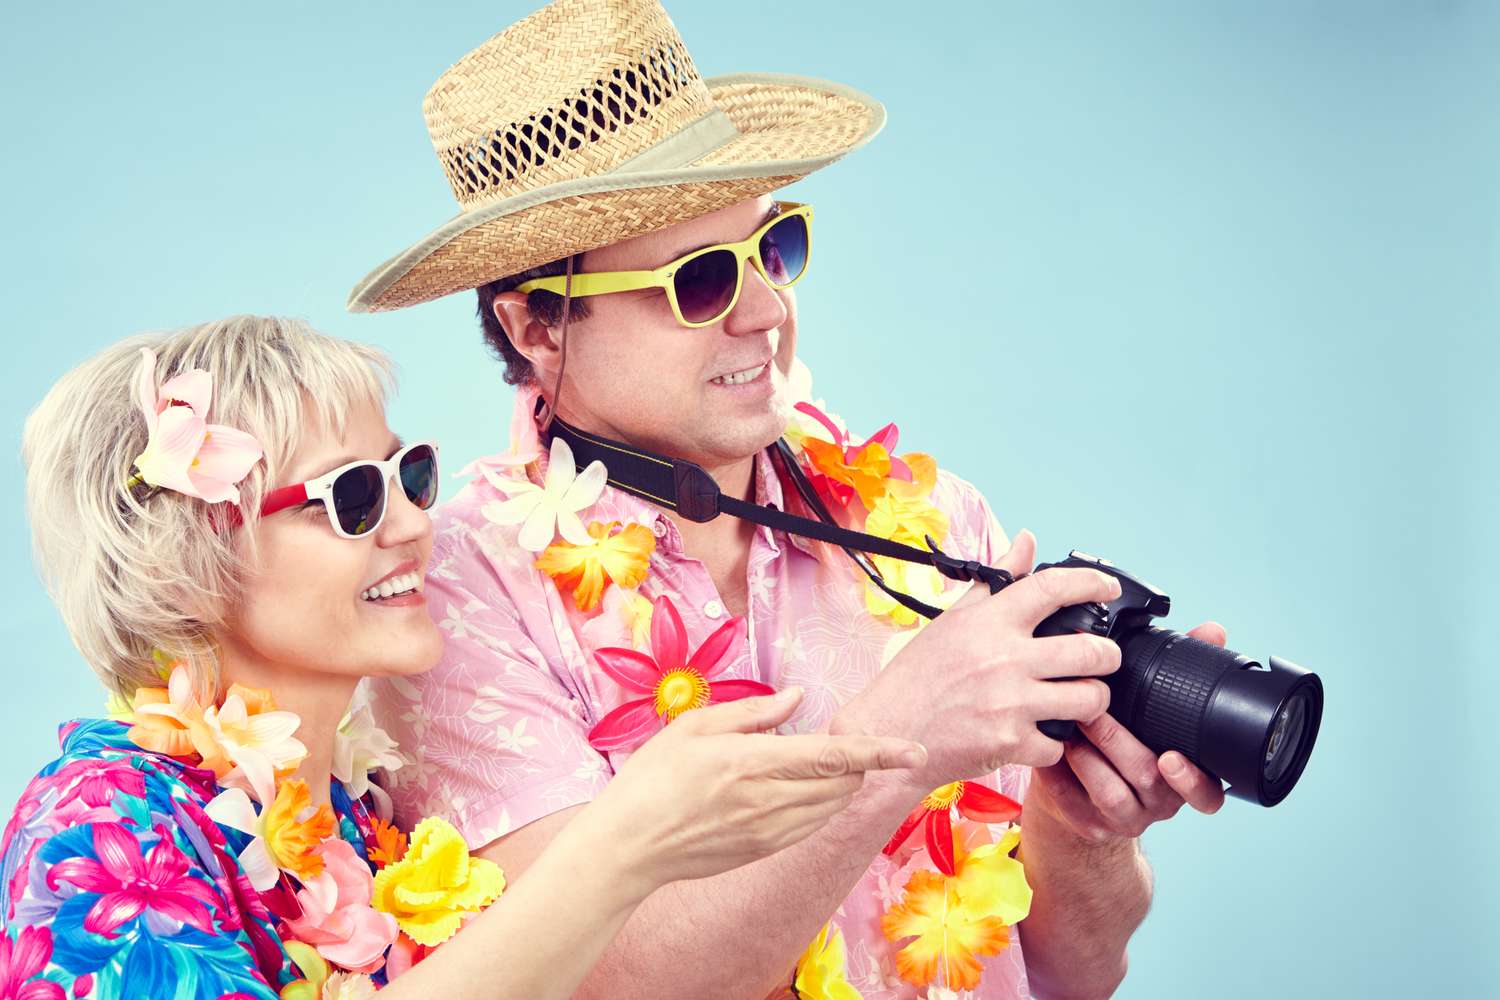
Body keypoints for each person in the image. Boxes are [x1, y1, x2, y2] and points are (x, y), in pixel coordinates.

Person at [348, 1, 1234, 997]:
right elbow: (606, 983)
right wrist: (899, 740)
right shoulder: (458, 594)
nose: (767, 309)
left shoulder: (932, 522)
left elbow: (1073, 975)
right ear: (536, 324)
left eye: (775, 249)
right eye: (700, 281)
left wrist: (1079, 835)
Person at [0, 315, 925, 999]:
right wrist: (622, 847)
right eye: (350, 497)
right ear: (187, 558)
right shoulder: (104, 818)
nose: (412, 524)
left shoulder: (374, 831)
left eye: (410, 475)